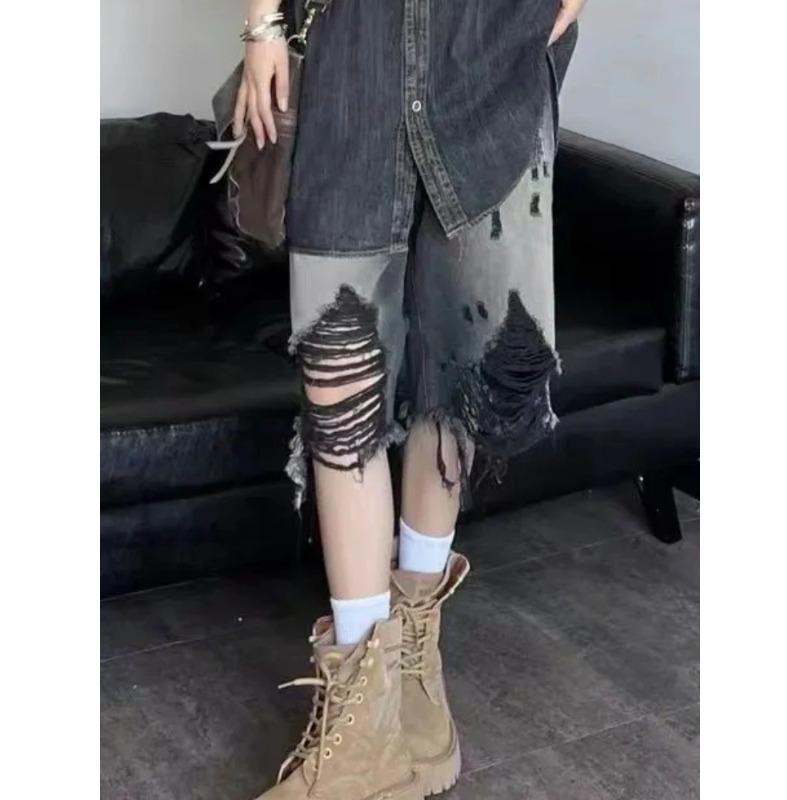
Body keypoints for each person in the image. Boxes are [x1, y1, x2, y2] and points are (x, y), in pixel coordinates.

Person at [225, 1, 584, 797]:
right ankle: (364, 722)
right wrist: (261, 22)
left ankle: (414, 673)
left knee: (457, 367)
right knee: (339, 385)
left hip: (491, 52)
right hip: (350, 58)